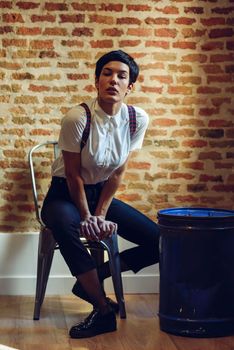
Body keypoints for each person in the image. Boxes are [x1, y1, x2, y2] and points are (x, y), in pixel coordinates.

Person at [41, 50, 160, 339]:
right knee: (68, 226)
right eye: (107, 73)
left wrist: (100, 214)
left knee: (161, 242)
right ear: (96, 81)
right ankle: (102, 309)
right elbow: (73, 175)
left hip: (101, 194)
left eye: (122, 76)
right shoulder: (77, 117)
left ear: (130, 86)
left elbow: (117, 173)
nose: (113, 80)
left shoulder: (136, 119)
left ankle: (90, 282)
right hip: (63, 195)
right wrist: (87, 217)